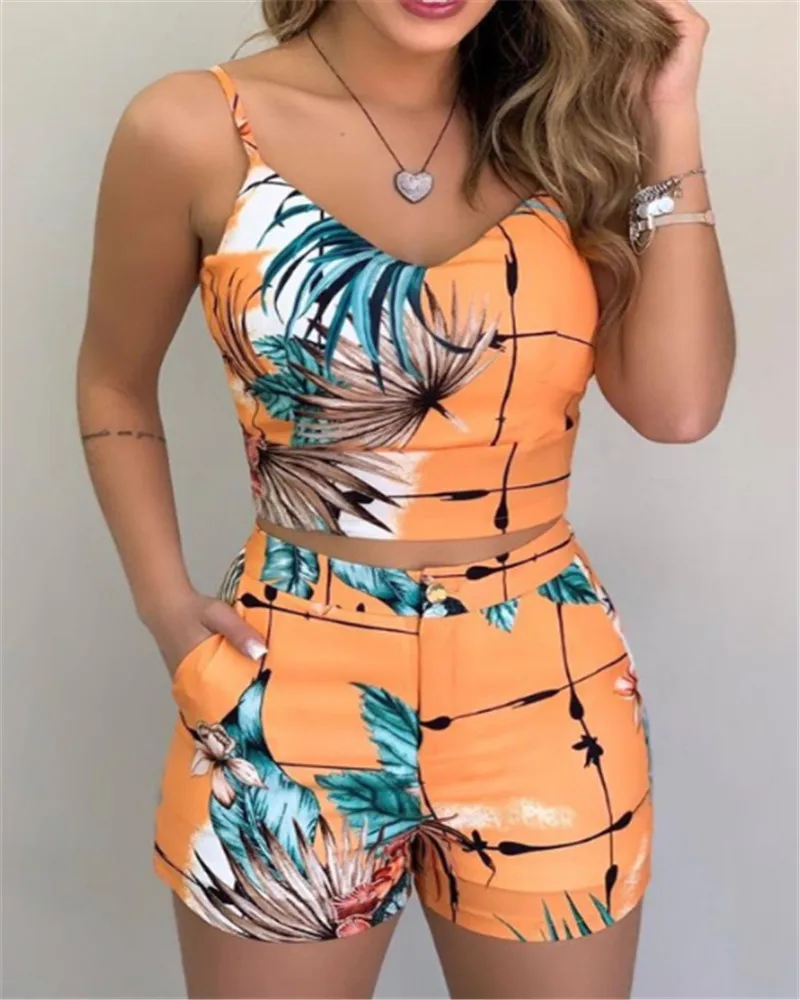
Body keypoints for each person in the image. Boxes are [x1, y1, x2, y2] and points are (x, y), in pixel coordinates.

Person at [76, 0, 734, 996]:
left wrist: (668, 114)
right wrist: (164, 605)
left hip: (545, 686)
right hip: (286, 680)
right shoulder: (193, 128)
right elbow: (113, 380)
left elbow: (678, 407)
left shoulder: (564, 134)